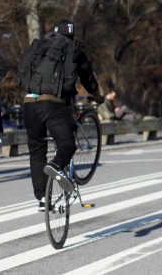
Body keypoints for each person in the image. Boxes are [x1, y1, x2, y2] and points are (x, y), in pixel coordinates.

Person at [17, 19, 103, 211]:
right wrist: (97, 96)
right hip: (54, 105)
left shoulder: (40, 46)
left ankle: (42, 199)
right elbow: (87, 77)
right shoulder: (73, 48)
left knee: (37, 150)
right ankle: (56, 165)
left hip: (29, 103)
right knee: (67, 144)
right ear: (71, 36)